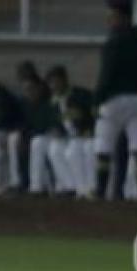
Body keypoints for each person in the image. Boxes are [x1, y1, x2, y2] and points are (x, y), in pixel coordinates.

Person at [93, 0, 137, 201]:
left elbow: (106, 75)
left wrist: (97, 99)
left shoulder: (114, 42)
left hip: (115, 100)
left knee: (104, 146)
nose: (110, 21)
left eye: (112, 17)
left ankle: (101, 191)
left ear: (122, 18)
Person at [45, 66, 96, 197]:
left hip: (86, 136)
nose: (55, 86)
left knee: (73, 152)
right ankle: (71, 186)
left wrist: (90, 130)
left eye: (57, 81)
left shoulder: (81, 95)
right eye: (51, 83)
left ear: (65, 80)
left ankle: (89, 188)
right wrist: (55, 130)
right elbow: (52, 122)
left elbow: (94, 115)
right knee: (54, 149)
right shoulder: (53, 102)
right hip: (67, 137)